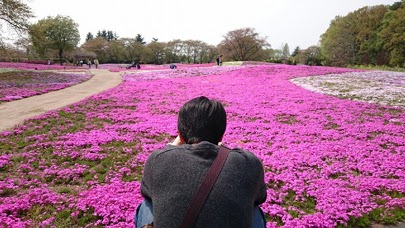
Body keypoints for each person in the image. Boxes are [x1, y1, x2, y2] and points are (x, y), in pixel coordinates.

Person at [135, 96, 267, 228]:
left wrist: (171, 146)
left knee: (146, 205)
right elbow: (260, 197)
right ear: (222, 135)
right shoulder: (249, 163)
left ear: (180, 135)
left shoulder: (158, 159)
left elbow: (146, 191)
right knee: (254, 210)